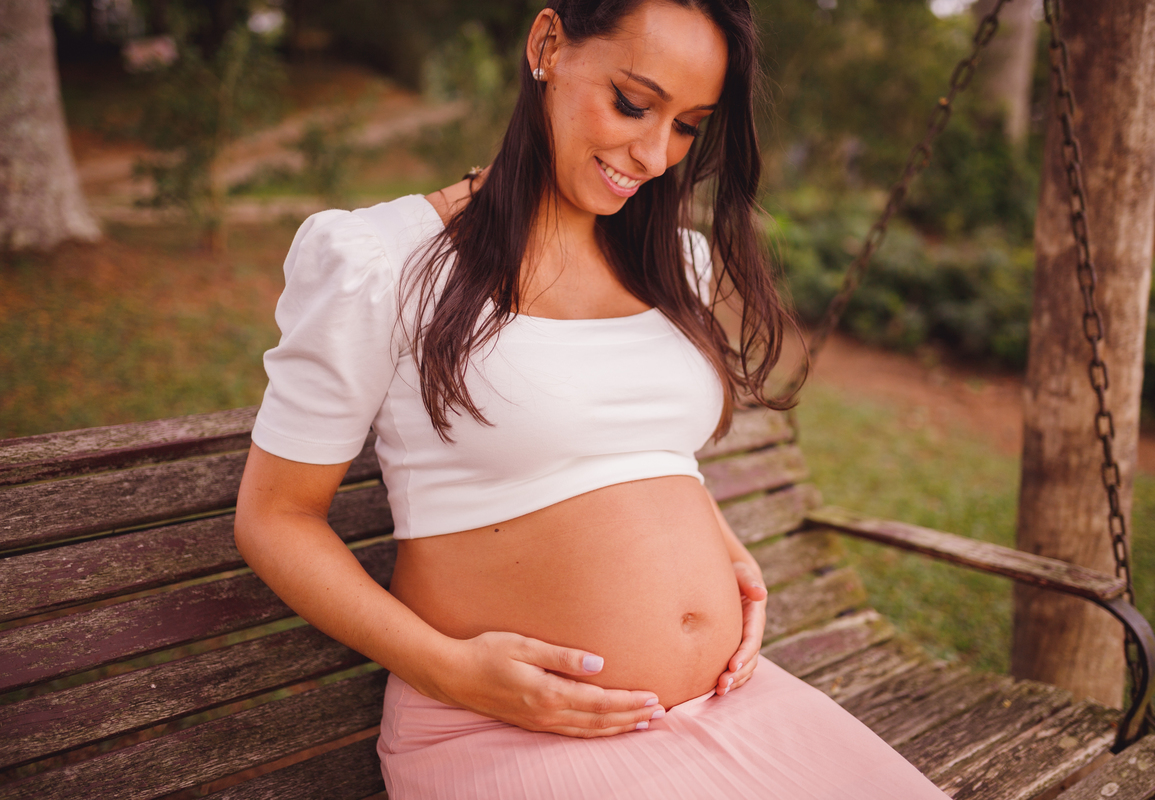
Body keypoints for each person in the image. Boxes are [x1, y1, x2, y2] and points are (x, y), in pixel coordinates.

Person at [234, 1, 952, 797]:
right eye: (633, 104)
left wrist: (718, 545)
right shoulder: (382, 260)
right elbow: (276, 517)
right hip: (514, 728)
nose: (652, 154)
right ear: (547, 44)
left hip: (733, 702)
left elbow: (635, 447)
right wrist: (451, 670)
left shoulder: (675, 260)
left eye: (687, 126)